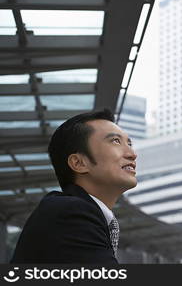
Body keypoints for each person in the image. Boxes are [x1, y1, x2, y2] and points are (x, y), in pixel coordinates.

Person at [10, 109, 137, 264]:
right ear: (79, 163)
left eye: (129, 143)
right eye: (115, 141)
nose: (132, 153)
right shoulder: (71, 213)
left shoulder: (76, 211)